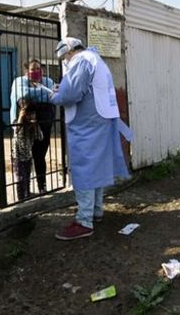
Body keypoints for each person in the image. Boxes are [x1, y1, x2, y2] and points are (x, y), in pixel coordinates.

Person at [50, 37, 131, 240]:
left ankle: (84, 221)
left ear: (69, 52)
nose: (65, 62)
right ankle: (95, 211)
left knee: (84, 168)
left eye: (64, 58)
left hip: (86, 124)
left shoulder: (81, 60)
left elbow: (70, 95)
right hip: (100, 121)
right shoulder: (96, 59)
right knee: (96, 167)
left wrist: (54, 96)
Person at [10, 59, 56, 194]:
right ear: (26, 71)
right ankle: (24, 191)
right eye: (33, 69)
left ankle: (42, 187)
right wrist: (44, 92)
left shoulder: (48, 81)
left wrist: (35, 93)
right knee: (24, 158)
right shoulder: (19, 81)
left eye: (39, 68)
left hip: (44, 122)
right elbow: (23, 95)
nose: (37, 71)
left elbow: (53, 98)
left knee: (40, 155)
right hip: (24, 123)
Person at [11, 99, 43, 200]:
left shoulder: (32, 125)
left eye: (33, 113)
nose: (31, 116)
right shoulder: (19, 124)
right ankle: (21, 197)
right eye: (29, 114)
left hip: (28, 155)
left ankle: (27, 194)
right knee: (20, 177)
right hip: (18, 156)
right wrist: (21, 118)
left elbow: (40, 137)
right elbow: (16, 131)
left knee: (28, 176)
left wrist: (36, 126)